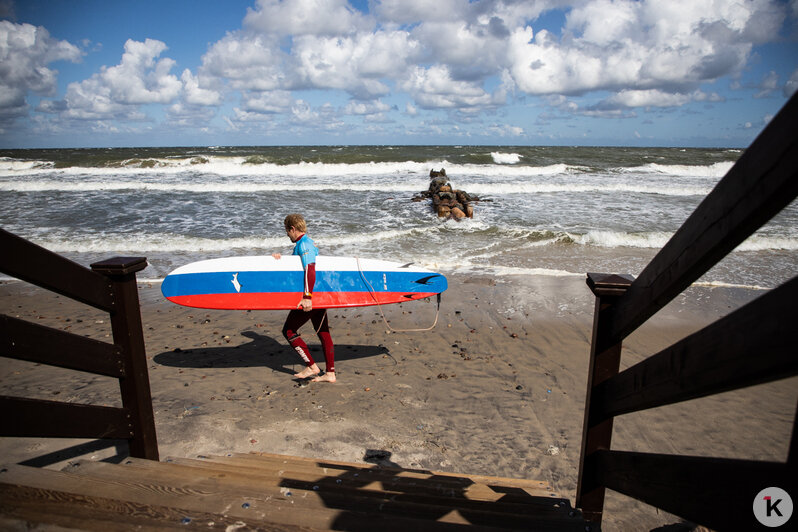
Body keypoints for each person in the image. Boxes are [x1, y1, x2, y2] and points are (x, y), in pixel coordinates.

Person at [272, 214, 336, 383]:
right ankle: (330, 373)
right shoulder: (306, 243)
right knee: (323, 332)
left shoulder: (304, 244)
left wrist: (307, 297)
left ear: (292, 229)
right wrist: (279, 259)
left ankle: (312, 366)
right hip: (318, 295)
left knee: (289, 331)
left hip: (310, 297)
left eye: (287, 231)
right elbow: (296, 269)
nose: (287, 235)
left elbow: (310, 269)